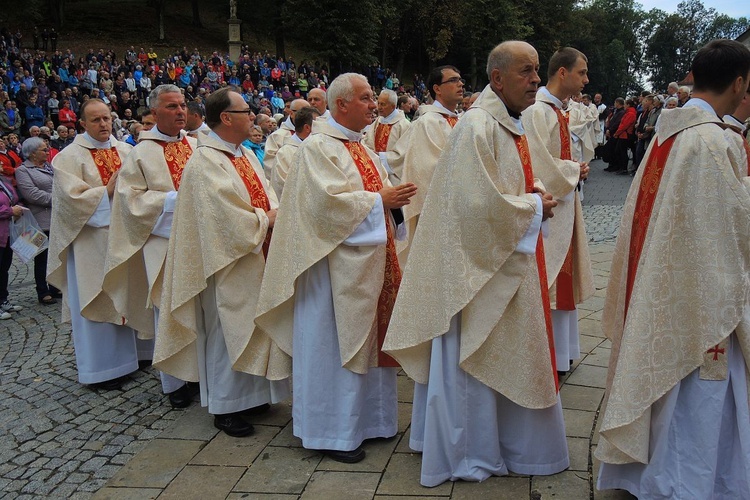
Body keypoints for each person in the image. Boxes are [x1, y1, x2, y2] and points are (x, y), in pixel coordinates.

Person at [383, 40, 568, 487]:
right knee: (476, 357)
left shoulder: (507, 123)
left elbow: (509, 183)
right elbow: (473, 205)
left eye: (538, 70)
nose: (536, 80)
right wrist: (532, 206)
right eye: (527, 71)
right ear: (498, 78)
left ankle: (507, 443)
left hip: (506, 263)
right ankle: (470, 453)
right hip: (477, 274)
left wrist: (537, 193)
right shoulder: (477, 126)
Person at [596, 39, 750, 498]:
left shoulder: (671, 130)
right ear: (740, 83)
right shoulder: (713, 140)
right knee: (698, 392)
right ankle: (686, 485)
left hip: (663, 277)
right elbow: (730, 225)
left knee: (663, 378)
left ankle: (644, 476)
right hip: (698, 294)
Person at [254, 73, 417, 463]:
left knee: (366, 342)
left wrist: (389, 202)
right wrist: (381, 199)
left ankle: (372, 422)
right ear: (341, 104)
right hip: (329, 272)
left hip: (367, 264)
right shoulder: (318, 149)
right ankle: (331, 434)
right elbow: (324, 207)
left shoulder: (361, 148)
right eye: (364, 98)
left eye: (372, 98)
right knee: (332, 347)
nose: (372, 105)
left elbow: (369, 200)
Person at [154, 87, 290, 437]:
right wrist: (267, 219)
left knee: (254, 327)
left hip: (254, 255)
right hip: (226, 262)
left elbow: (267, 192)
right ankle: (226, 406)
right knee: (228, 331)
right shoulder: (204, 162)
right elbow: (221, 217)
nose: (254, 116)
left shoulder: (243, 154)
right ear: (226, 118)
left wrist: (271, 214)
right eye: (246, 111)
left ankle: (255, 395)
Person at [102, 85, 198, 409]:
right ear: (155, 114)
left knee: (198, 309)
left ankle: (197, 373)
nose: (181, 111)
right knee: (169, 312)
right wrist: (173, 199)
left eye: (183, 105)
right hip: (163, 245)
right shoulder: (140, 154)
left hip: (197, 243)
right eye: (172, 106)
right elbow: (129, 203)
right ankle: (174, 383)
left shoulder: (196, 146)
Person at [47, 98, 144, 391]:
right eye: (96, 120)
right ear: (82, 124)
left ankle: (140, 356)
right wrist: (106, 192)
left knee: (132, 294)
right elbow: (69, 202)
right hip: (92, 243)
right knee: (97, 298)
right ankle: (103, 370)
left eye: (107, 118)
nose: (104, 125)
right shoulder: (68, 158)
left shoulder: (127, 151)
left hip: (126, 240)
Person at [521, 47, 594, 375]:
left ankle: (561, 353)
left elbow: (558, 158)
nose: (586, 79)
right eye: (582, 72)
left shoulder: (559, 111)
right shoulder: (538, 112)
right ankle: (543, 354)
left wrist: (576, 169)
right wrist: (572, 171)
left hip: (564, 207)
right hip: (548, 210)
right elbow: (536, 163)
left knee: (562, 281)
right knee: (548, 280)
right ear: (562, 72)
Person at [380, 65, 464, 265]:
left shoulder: (461, 121)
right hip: (437, 211)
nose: (460, 84)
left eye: (460, 80)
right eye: (453, 80)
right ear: (437, 88)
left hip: (460, 208)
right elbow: (427, 169)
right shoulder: (427, 123)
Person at [15, 137, 60, 305]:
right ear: (33, 153)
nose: (48, 152)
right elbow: (31, 194)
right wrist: (58, 198)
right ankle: (42, 290)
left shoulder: (49, 167)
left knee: (56, 255)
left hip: (55, 217)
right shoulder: (23, 170)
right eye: (44, 150)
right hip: (36, 220)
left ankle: (55, 286)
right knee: (41, 257)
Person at [270, 106, 319, 198]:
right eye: (318, 125)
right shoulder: (285, 154)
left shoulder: (320, 148)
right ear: (307, 128)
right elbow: (282, 187)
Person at [263, 98, 309, 179]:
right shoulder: (277, 136)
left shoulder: (313, 133)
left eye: (309, 112)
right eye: (302, 112)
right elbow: (270, 166)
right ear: (291, 113)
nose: (307, 116)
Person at [0, 166, 24, 319]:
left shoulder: (3, 181)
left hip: (7, 233)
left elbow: (13, 198)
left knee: (3, 268)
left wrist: (18, 206)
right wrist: (9, 211)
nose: (2, 165)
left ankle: (3, 300)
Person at [363, 89, 410, 153]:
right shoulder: (378, 121)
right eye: (378, 103)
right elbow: (367, 140)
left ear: (393, 106)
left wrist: (382, 156)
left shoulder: (404, 125)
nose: (379, 107)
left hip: (389, 162)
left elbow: (403, 153)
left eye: (383, 104)